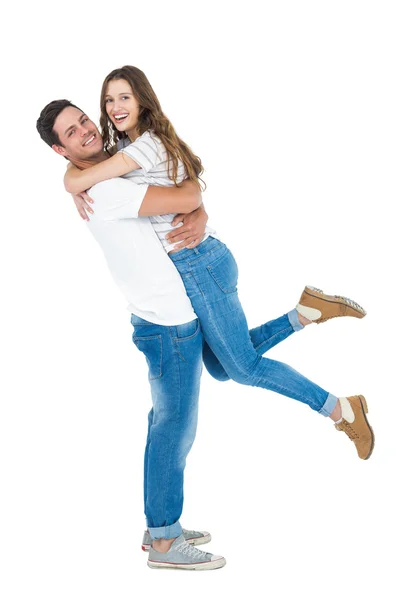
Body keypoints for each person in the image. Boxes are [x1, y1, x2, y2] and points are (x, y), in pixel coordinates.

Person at [64, 65, 374, 453]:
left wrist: (69, 181)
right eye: (109, 99)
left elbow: (82, 177)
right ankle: (306, 312)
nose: (114, 106)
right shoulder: (132, 146)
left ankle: (342, 410)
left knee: (244, 369)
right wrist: (74, 173)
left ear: (142, 98)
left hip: (199, 264)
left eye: (124, 97)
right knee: (220, 367)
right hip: (199, 263)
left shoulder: (143, 146)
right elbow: (108, 170)